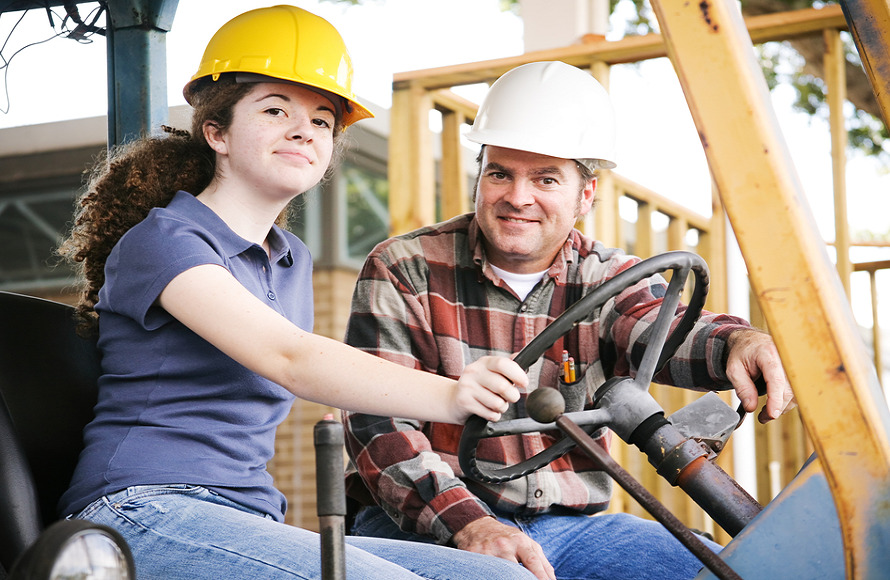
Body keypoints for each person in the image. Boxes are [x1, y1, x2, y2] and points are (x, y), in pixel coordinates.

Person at [55, 6, 538, 580]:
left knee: (500, 577)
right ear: (217, 133)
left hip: (247, 515)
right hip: (140, 510)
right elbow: (291, 357)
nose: (303, 129)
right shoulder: (161, 241)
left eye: (323, 120)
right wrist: (453, 394)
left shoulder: (290, 258)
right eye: (275, 110)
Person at [342, 61, 796, 580]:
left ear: (585, 195)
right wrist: (471, 525)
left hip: (569, 527)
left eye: (545, 179)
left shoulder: (608, 278)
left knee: (719, 568)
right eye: (500, 173)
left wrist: (736, 342)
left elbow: (659, 329)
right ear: (480, 177)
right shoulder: (405, 267)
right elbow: (378, 423)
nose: (518, 197)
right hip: (421, 522)